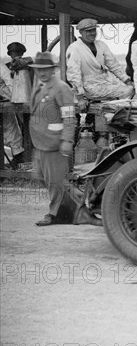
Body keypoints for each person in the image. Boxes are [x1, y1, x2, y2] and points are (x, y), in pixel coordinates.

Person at [28, 52, 77, 226]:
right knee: (40, 176)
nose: (42, 73)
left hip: (54, 143)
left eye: (46, 69)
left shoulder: (61, 88)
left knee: (54, 181)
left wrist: (67, 140)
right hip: (39, 142)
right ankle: (77, 202)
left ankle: (54, 214)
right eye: (38, 69)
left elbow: (70, 117)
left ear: (52, 69)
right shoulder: (40, 86)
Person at [66, 18, 134, 111]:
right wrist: (80, 98)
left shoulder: (101, 45)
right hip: (89, 87)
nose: (92, 33)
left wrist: (127, 80)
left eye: (94, 30)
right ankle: (116, 118)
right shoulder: (75, 48)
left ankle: (114, 114)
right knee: (128, 91)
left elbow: (114, 65)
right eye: (88, 31)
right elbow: (73, 74)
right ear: (81, 32)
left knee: (134, 88)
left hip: (105, 82)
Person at [1, 42, 32, 168]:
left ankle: (19, 156)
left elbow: (11, 85)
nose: (16, 56)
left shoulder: (27, 65)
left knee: (12, 128)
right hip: (11, 101)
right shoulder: (7, 66)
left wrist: (15, 98)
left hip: (14, 100)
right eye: (13, 53)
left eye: (18, 53)